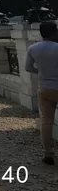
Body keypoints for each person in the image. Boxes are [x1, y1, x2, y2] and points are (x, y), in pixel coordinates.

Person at [25, 20, 58, 165]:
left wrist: (41, 72)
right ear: (55, 32)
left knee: (46, 121)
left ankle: (48, 153)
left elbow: (28, 67)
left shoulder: (33, 48)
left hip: (44, 87)